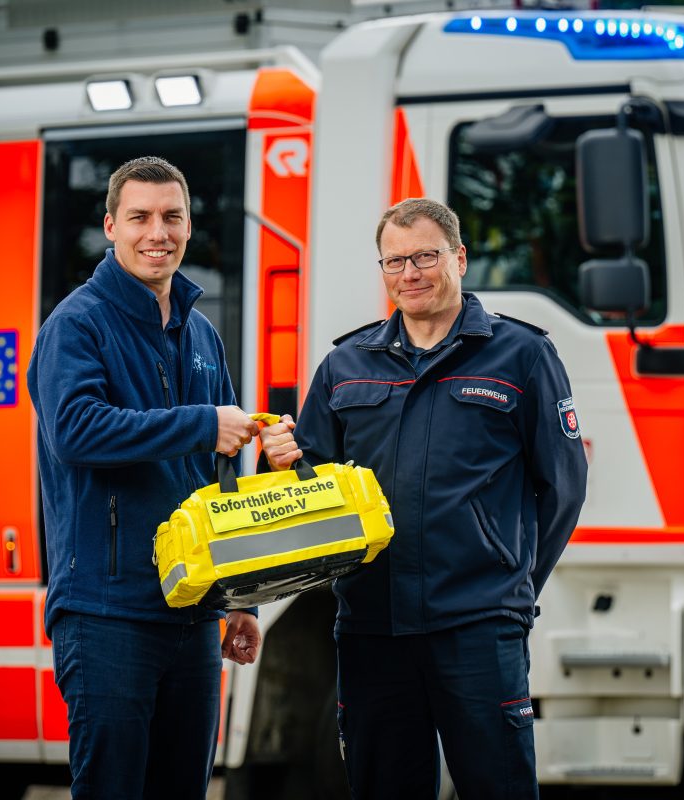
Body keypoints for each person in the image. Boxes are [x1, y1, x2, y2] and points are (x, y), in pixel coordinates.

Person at [277, 197, 589, 799]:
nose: (410, 274)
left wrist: (512, 583)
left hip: (477, 625)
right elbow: (315, 492)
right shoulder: (346, 366)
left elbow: (563, 487)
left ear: (460, 259)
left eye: (425, 256)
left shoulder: (521, 355)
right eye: (394, 262)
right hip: (371, 627)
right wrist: (290, 465)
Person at [26, 156, 297, 799]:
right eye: (140, 217)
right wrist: (202, 422)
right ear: (110, 226)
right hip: (106, 611)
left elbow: (222, 476)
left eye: (172, 217)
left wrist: (239, 599)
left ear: (188, 224)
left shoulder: (200, 331)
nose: (158, 232)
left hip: (196, 609)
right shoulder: (76, 324)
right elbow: (77, 431)